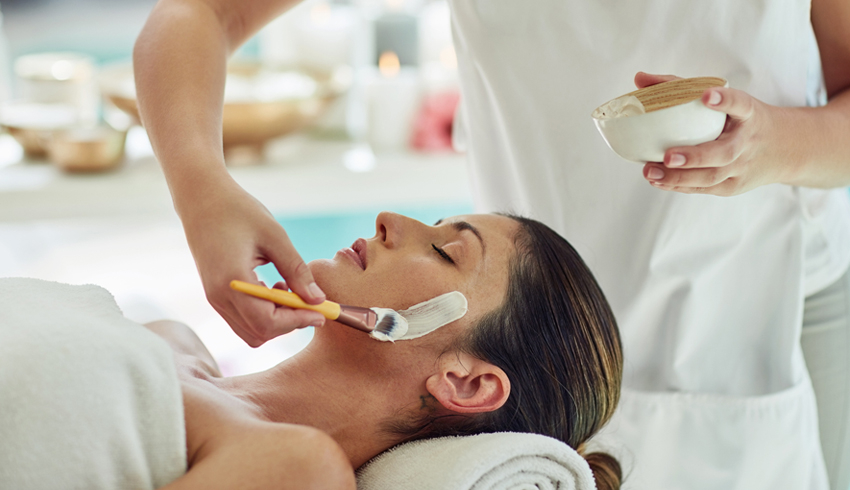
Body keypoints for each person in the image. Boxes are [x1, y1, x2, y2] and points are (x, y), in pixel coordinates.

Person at [133, 0, 850, 488]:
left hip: (744, 317)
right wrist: (202, 191)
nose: (386, 218)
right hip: (507, 314)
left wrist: (776, 145)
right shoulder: (177, 367)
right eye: (442, 241)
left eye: (443, 245)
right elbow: (202, 12)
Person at [0, 212, 623, 489]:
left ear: (465, 384)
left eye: (443, 250)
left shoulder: (295, 471)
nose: (390, 219)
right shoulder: (175, 342)